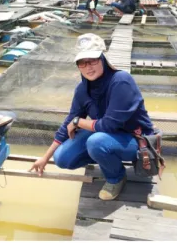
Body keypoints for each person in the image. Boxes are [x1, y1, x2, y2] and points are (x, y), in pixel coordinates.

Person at [29, 34, 155, 201]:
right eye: (82, 62)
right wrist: (45, 157)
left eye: (93, 60)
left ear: (102, 58)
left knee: (96, 142)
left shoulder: (121, 81)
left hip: (135, 140)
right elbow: (69, 121)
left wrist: (79, 122)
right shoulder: (82, 89)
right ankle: (105, 158)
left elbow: (108, 125)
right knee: (62, 158)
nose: (88, 67)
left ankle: (116, 178)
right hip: (103, 135)